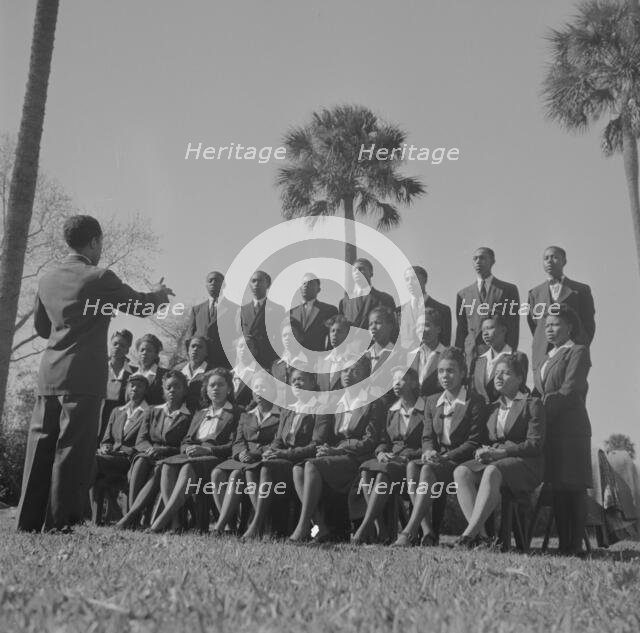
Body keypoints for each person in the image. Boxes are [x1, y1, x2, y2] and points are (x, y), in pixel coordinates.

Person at [17, 214, 173, 532]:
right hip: (83, 376)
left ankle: (28, 522)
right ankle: (64, 523)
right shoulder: (99, 277)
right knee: (73, 449)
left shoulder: (47, 279)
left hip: (49, 375)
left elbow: (43, 328)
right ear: (94, 242)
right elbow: (139, 305)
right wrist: (158, 294)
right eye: (100, 243)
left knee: (41, 447)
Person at [392, 347, 487, 547]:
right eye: (441, 371)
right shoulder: (432, 401)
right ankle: (427, 532)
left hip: (463, 462)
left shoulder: (474, 401)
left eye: (451, 371)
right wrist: (428, 451)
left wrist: (445, 457)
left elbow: (474, 442)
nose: (445, 376)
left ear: (463, 373)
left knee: (426, 469)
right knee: (413, 466)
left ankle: (409, 531)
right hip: (439, 461)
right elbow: (427, 437)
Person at [289, 356, 386, 543]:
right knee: (297, 469)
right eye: (345, 370)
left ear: (366, 375)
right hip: (337, 457)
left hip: (358, 458)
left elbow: (369, 441)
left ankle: (302, 528)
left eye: (355, 371)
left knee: (310, 466)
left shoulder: (374, 402)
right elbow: (329, 437)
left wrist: (337, 450)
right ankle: (320, 526)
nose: (348, 375)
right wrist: (327, 448)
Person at [453, 356, 545, 547]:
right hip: (496, 459)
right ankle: (483, 537)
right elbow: (486, 440)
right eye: (496, 373)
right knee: (461, 472)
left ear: (520, 378)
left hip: (525, 463)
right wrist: (482, 450)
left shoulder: (532, 403)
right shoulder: (492, 407)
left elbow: (534, 445)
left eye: (505, 372)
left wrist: (502, 454)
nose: (498, 377)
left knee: (492, 471)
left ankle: (468, 536)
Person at [533, 304, 592, 556]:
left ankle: (575, 546)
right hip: (551, 430)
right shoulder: (546, 358)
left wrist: (538, 410)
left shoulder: (578, 351)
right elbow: (539, 392)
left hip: (572, 430)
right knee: (557, 485)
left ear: (570, 326)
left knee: (574, 486)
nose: (550, 329)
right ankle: (563, 544)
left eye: (555, 324)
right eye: (547, 325)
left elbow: (570, 389)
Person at [149, 369, 239, 532]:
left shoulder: (236, 412)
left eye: (220, 385)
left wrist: (208, 451)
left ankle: (161, 521)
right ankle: (176, 522)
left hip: (217, 459)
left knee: (189, 467)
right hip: (194, 456)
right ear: (206, 390)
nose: (216, 388)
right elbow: (186, 440)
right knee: (168, 465)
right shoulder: (200, 413)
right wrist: (188, 449)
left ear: (229, 388)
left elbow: (233, 445)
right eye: (212, 385)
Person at [246, 370, 332, 539]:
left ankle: (257, 525)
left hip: (306, 460)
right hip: (286, 460)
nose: (297, 384)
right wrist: (271, 451)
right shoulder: (288, 410)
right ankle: (262, 524)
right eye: (293, 381)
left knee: (271, 468)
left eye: (301, 379)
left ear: (312, 383)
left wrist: (284, 454)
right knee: (258, 467)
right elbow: (279, 439)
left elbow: (316, 444)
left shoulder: (321, 408)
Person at [353, 367, 424, 544]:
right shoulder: (391, 410)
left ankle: (364, 527)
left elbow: (430, 443)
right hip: (391, 459)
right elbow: (384, 440)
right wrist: (381, 452)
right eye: (394, 381)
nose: (396, 384)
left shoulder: (425, 408)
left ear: (414, 383)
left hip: (412, 462)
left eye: (402, 380)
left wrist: (407, 457)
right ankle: (380, 528)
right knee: (366, 470)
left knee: (384, 472)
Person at [115, 371, 192, 529]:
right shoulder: (152, 410)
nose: (172, 390)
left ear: (184, 390)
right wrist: (150, 450)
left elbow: (186, 445)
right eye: (168, 387)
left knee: (159, 469)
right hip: (148, 454)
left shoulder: (189, 416)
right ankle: (132, 516)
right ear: (163, 391)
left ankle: (130, 516)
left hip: (170, 458)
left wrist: (165, 450)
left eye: (177, 387)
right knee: (140, 461)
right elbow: (141, 439)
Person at [211, 372, 282, 535]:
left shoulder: (281, 414)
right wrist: (241, 453)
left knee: (236, 476)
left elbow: (279, 441)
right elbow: (238, 440)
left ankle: (222, 526)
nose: (259, 391)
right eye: (256, 387)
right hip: (243, 458)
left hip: (263, 459)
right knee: (217, 473)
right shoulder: (246, 415)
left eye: (264, 387)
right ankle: (229, 526)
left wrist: (256, 454)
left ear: (273, 390)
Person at [91, 373, 150, 524]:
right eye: (132, 385)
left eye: (140, 386)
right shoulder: (117, 411)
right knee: (93, 463)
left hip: (129, 460)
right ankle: (97, 520)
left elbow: (143, 441)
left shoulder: (150, 412)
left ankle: (114, 513)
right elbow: (106, 439)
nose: (135, 388)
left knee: (92, 462)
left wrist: (122, 452)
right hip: (108, 458)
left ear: (146, 390)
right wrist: (105, 447)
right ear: (127, 388)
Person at [527, 246, 595, 372]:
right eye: (546, 258)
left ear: (564, 261)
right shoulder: (534, 293)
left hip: (572, 352)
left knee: (570, 389)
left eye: (554, 257)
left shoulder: (580, 290)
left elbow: (588, 324)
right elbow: (534, 324)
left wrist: (580, 347)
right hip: (543, 355)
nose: (549, 261)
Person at [455, 247, 519, 367]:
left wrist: (510, 353)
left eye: (483, 258)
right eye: (475, 259)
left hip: (498, 351)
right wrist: (459, 357)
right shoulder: (463, 294)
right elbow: (461, 329)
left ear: (492, 261)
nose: (478, 261)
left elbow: (513, 325)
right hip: (471, 354)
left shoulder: (508, 290)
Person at [469, 315, 528, 404]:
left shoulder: (518, 357)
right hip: (481, 415)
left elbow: (519, 389)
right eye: (483, 330)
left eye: (490, 328)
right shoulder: (478, 361)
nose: (485, 333)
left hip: (505, 411)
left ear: (503, 330)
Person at [187, 270, 235, 368]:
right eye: (210, 280)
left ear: (224, 285)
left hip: (223, 361)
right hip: (200, 362)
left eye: (217, 280)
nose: (213, 283)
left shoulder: (234, 309)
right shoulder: (196, 310)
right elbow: (189, 337)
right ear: (206, 285)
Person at [239, 270, 286, 369]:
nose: (256, 284)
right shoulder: (243, 310)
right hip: (247, 360)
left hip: (268, 359)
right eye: (253, 281)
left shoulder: (277, 310)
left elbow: (279, 338)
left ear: (268, 285)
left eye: (260, 281)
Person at [397, 265, 451, 350]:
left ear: (425, 280)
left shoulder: (442, 310)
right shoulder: (398, 311)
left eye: (414, 279)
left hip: (432, 359)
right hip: (406, 360)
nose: (410, 283)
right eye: (407, 279)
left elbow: (445, 342)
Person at [99, 329, 136, 442]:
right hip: (97, 410)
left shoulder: (133, 373)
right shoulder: (99, 366)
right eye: (115, 344)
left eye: (122, 345)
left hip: (119, 412)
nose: (117, 347)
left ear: (127, 349)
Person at [339, 258, 395, 330]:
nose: (357, 272)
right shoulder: (344, 302)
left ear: (371, 272)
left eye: (361, 269)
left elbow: (392, 327)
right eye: (354, 270)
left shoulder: (385, 299)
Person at [289, 273, 338, 352]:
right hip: (295, 358)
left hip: (317, 357)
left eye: (310, 283)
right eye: (304, 283)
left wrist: (326, 356)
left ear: (318, 289)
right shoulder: (290, 313)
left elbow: (332, 336)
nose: (306, 285)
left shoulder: (329, 310)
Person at [409, 308, 446, 398]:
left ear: (438, 329)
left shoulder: (446, 356)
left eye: (427, 325)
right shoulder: (410, 356)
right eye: (418, 326)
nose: (422, 330)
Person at [174, 336, 212, 413]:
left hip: (199, 415)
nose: (195, 349)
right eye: (193, 346)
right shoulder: (177, 370)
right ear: (188, 350)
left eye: (200, 347)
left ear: (206, 352)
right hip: (177, 414)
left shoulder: (212, 372)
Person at [316, 315, 351, 391]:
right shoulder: (320, 361)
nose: (334, 334)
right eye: (332, 331)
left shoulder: (353, 360)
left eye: (339, 331)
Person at [133, 333, 167, 405]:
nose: (144, 353)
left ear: (156, 354)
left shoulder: (164, 375)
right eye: (142, 350)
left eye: (149, 351)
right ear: (137, 353)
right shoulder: (132, 376)